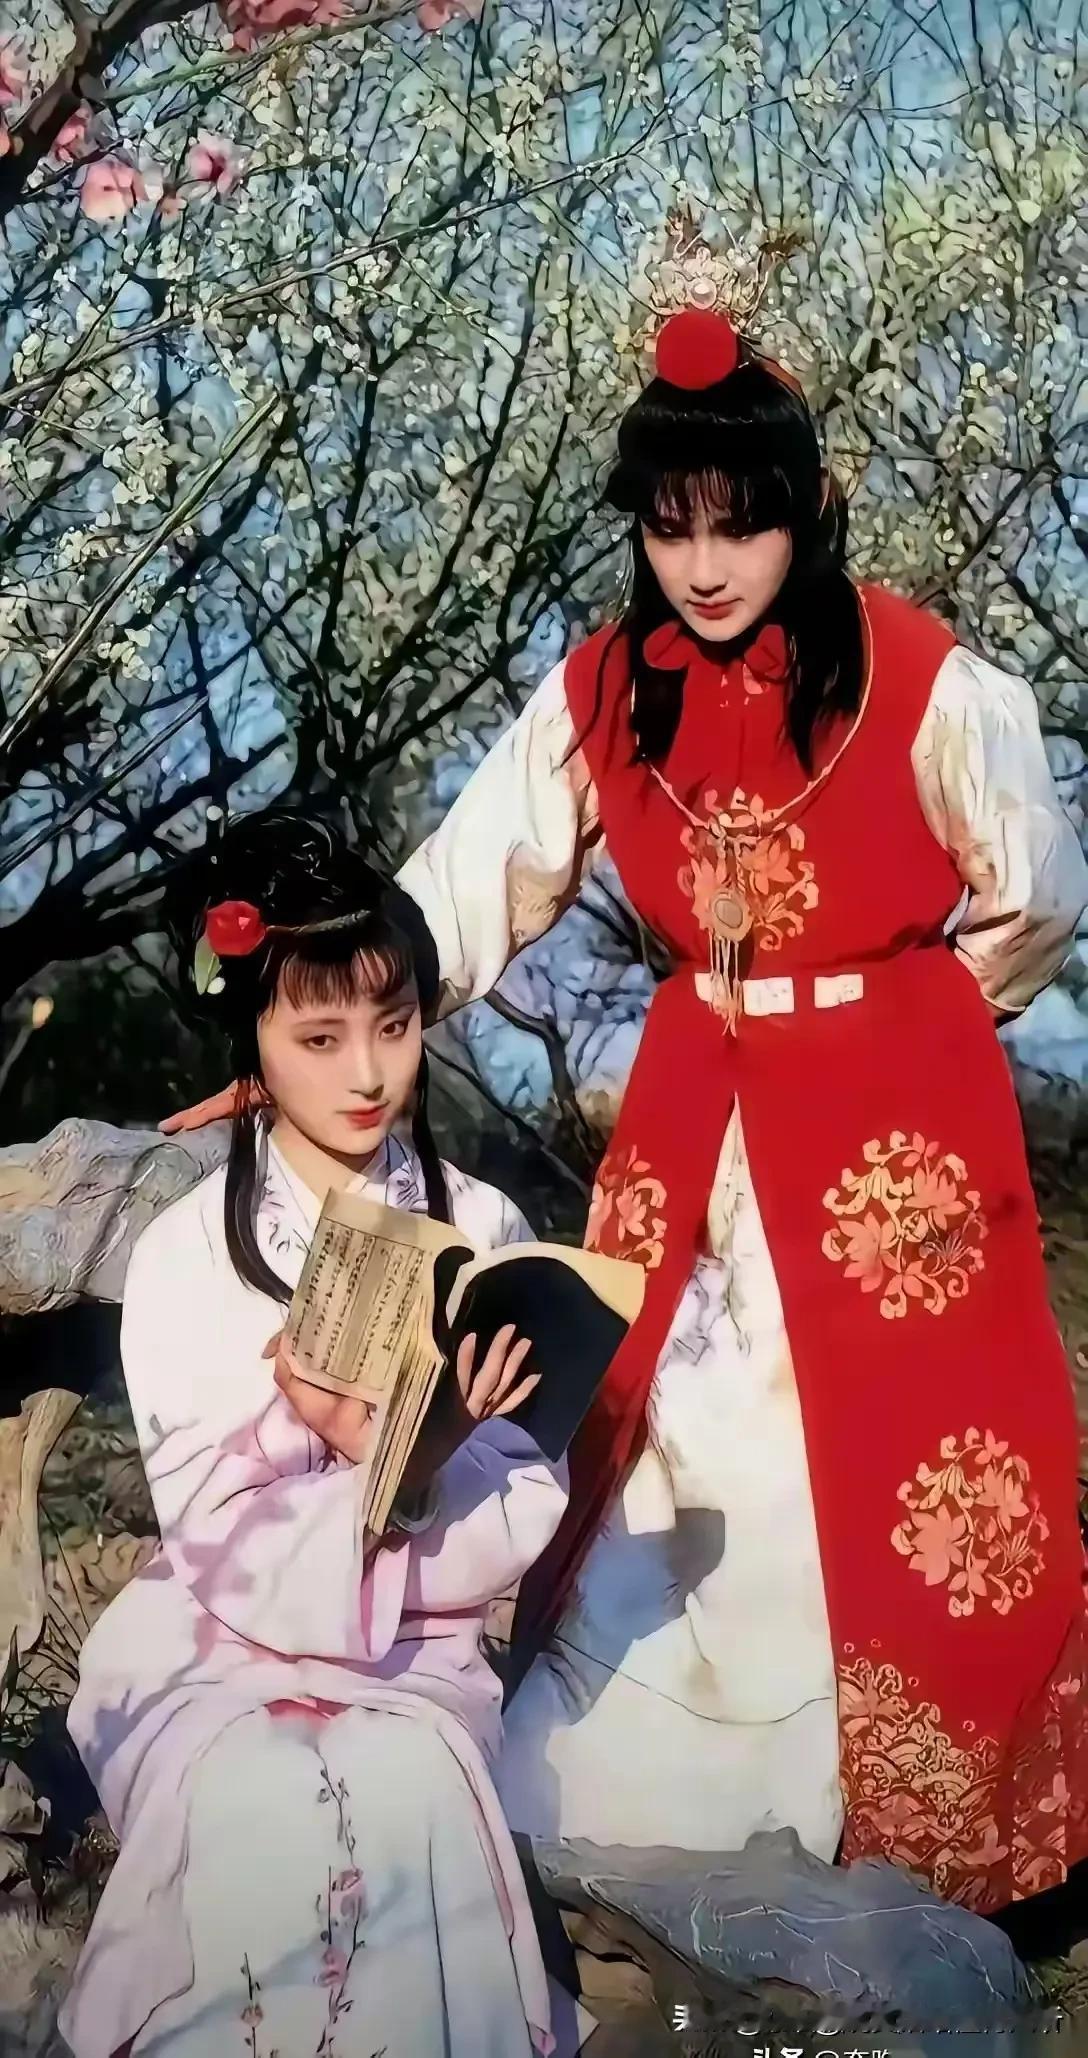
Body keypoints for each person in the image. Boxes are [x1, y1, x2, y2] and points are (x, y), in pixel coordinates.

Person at [164, 296, 1088, 1916]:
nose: (705, 565)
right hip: (694, 1103)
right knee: (666, 1434)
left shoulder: (925, 677)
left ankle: (902, 1832)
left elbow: (1034, 894)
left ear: (803, 509)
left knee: (875, 1460)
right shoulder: (605, 692)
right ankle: (645, 1807)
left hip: (896, 1124)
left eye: (739, 523)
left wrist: (921, 1028)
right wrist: (300, 1033)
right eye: (670, 528)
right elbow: (469, 883)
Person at [60, 814, 567, 2058]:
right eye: (320, 1039)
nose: (368, 1075)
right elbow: (209, 1526)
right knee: (265, 1790)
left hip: (419, 1650)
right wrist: (382, 1463)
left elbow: (524, 1494)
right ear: (253, 1037)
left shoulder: (482, 1225)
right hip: (212, 1640)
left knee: (409, 1785)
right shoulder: (188, 1251)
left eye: (395, 1027)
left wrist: (394, 1451)